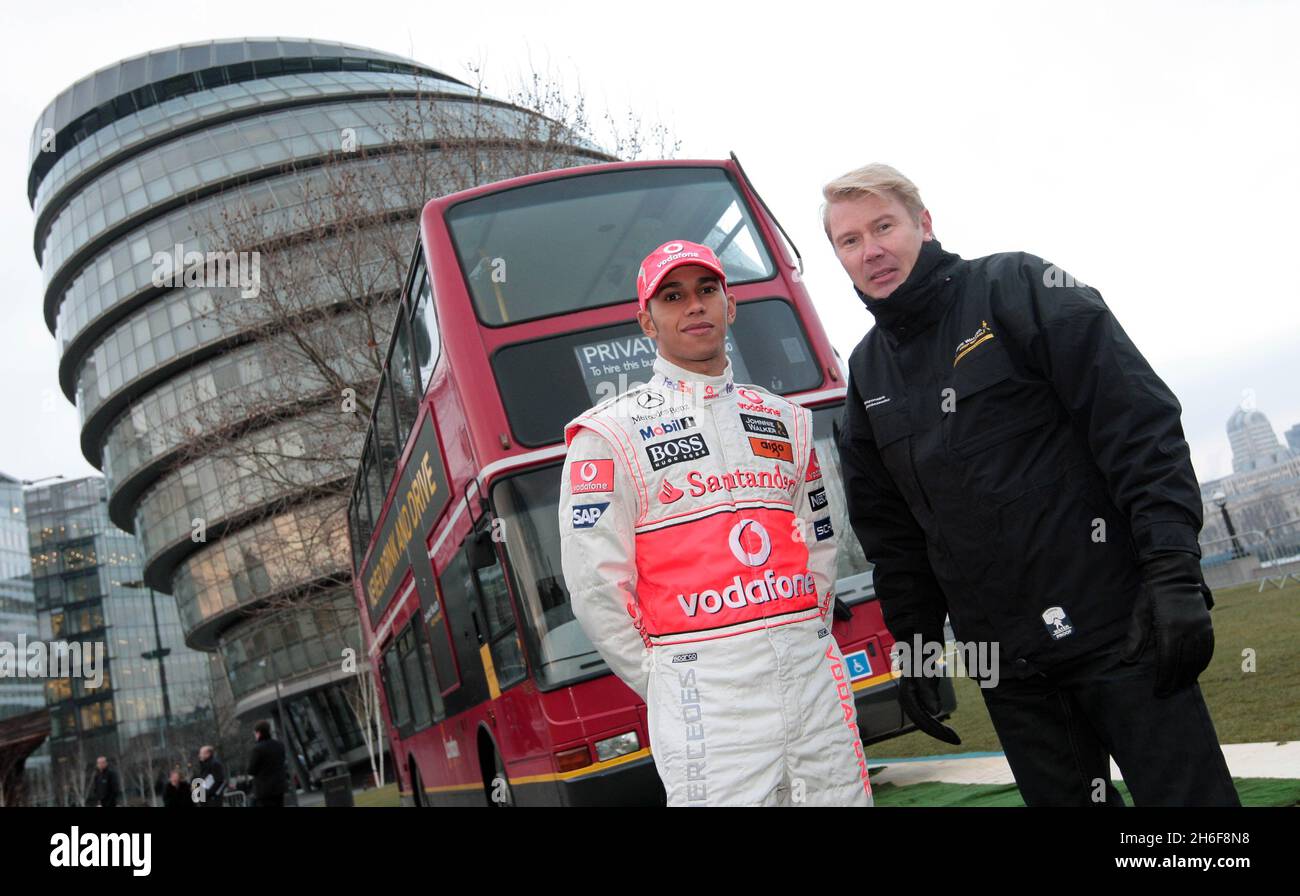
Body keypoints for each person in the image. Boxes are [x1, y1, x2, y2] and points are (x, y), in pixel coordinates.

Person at [824, 163, 1240, 807]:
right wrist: (917, 648)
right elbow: (893, 534)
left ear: (924, 224)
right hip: (1009, 666)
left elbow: (1137, 425)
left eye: (884, 227)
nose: (871, 250)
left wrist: (1173, 570)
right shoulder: (866, 374)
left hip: (1121, 626)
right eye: (850, 240)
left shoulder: (1019, 286)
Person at [558, 239, 873, 807]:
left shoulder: (787, 419)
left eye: (707, 290)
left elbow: (821, 543)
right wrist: (665, 676)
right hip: (704, 696)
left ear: (731, 304)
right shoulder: (608, 435)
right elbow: (595, 586)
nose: (694, 306)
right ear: (647, 322)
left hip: (811, 678)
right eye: (672, 296)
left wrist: (805, 630)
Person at [246, 720, 289, 807]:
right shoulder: (279, 745)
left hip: (264, 790)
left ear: (258, 733)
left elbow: (251, 770)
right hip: (279, 786)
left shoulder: (257, 749)